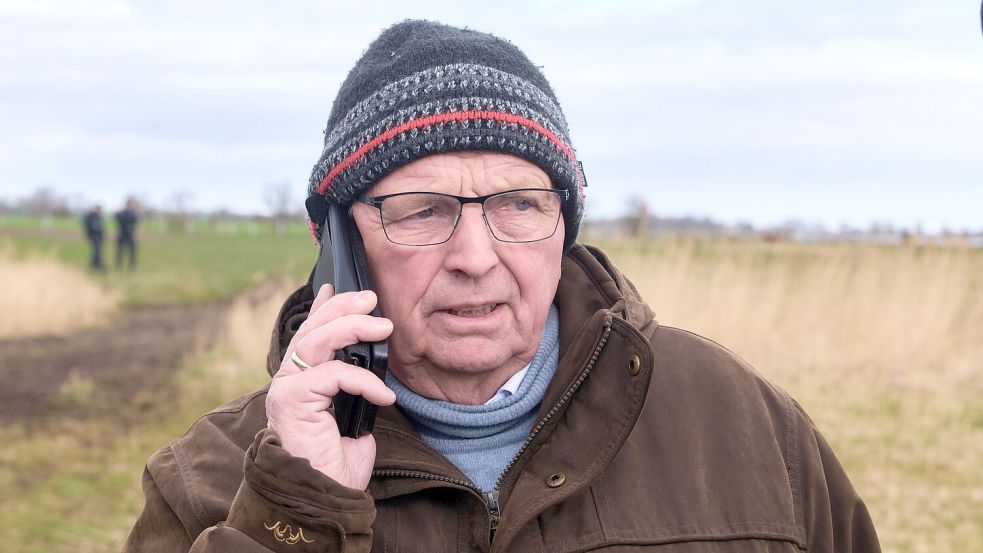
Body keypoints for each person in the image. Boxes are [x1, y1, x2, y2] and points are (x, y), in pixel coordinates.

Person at [123, 20, 880, 552]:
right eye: (421, 211)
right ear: (337, 244)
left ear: (565, 225)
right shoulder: (212, 478)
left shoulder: (744, 423)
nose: (476, 257)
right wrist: (297, 511)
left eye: (519, 204)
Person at [115, 198, 139, 270]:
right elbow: (117, 218)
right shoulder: (121, 213)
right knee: (120, 251)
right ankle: (119, 265)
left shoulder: (133, 214)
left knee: (132, 252)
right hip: (122, 234)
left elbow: (136, 220)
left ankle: (132, 266)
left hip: (130, 235)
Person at [82, 204, 105, 271]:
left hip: (98, 236)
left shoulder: (99, 217)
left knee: (97, 250)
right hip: (93, 236)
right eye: (98, 209)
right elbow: (86, 223)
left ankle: (97, 264)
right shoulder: (90, 216)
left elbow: (101, 227)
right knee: (96, 250)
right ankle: (94, 264)